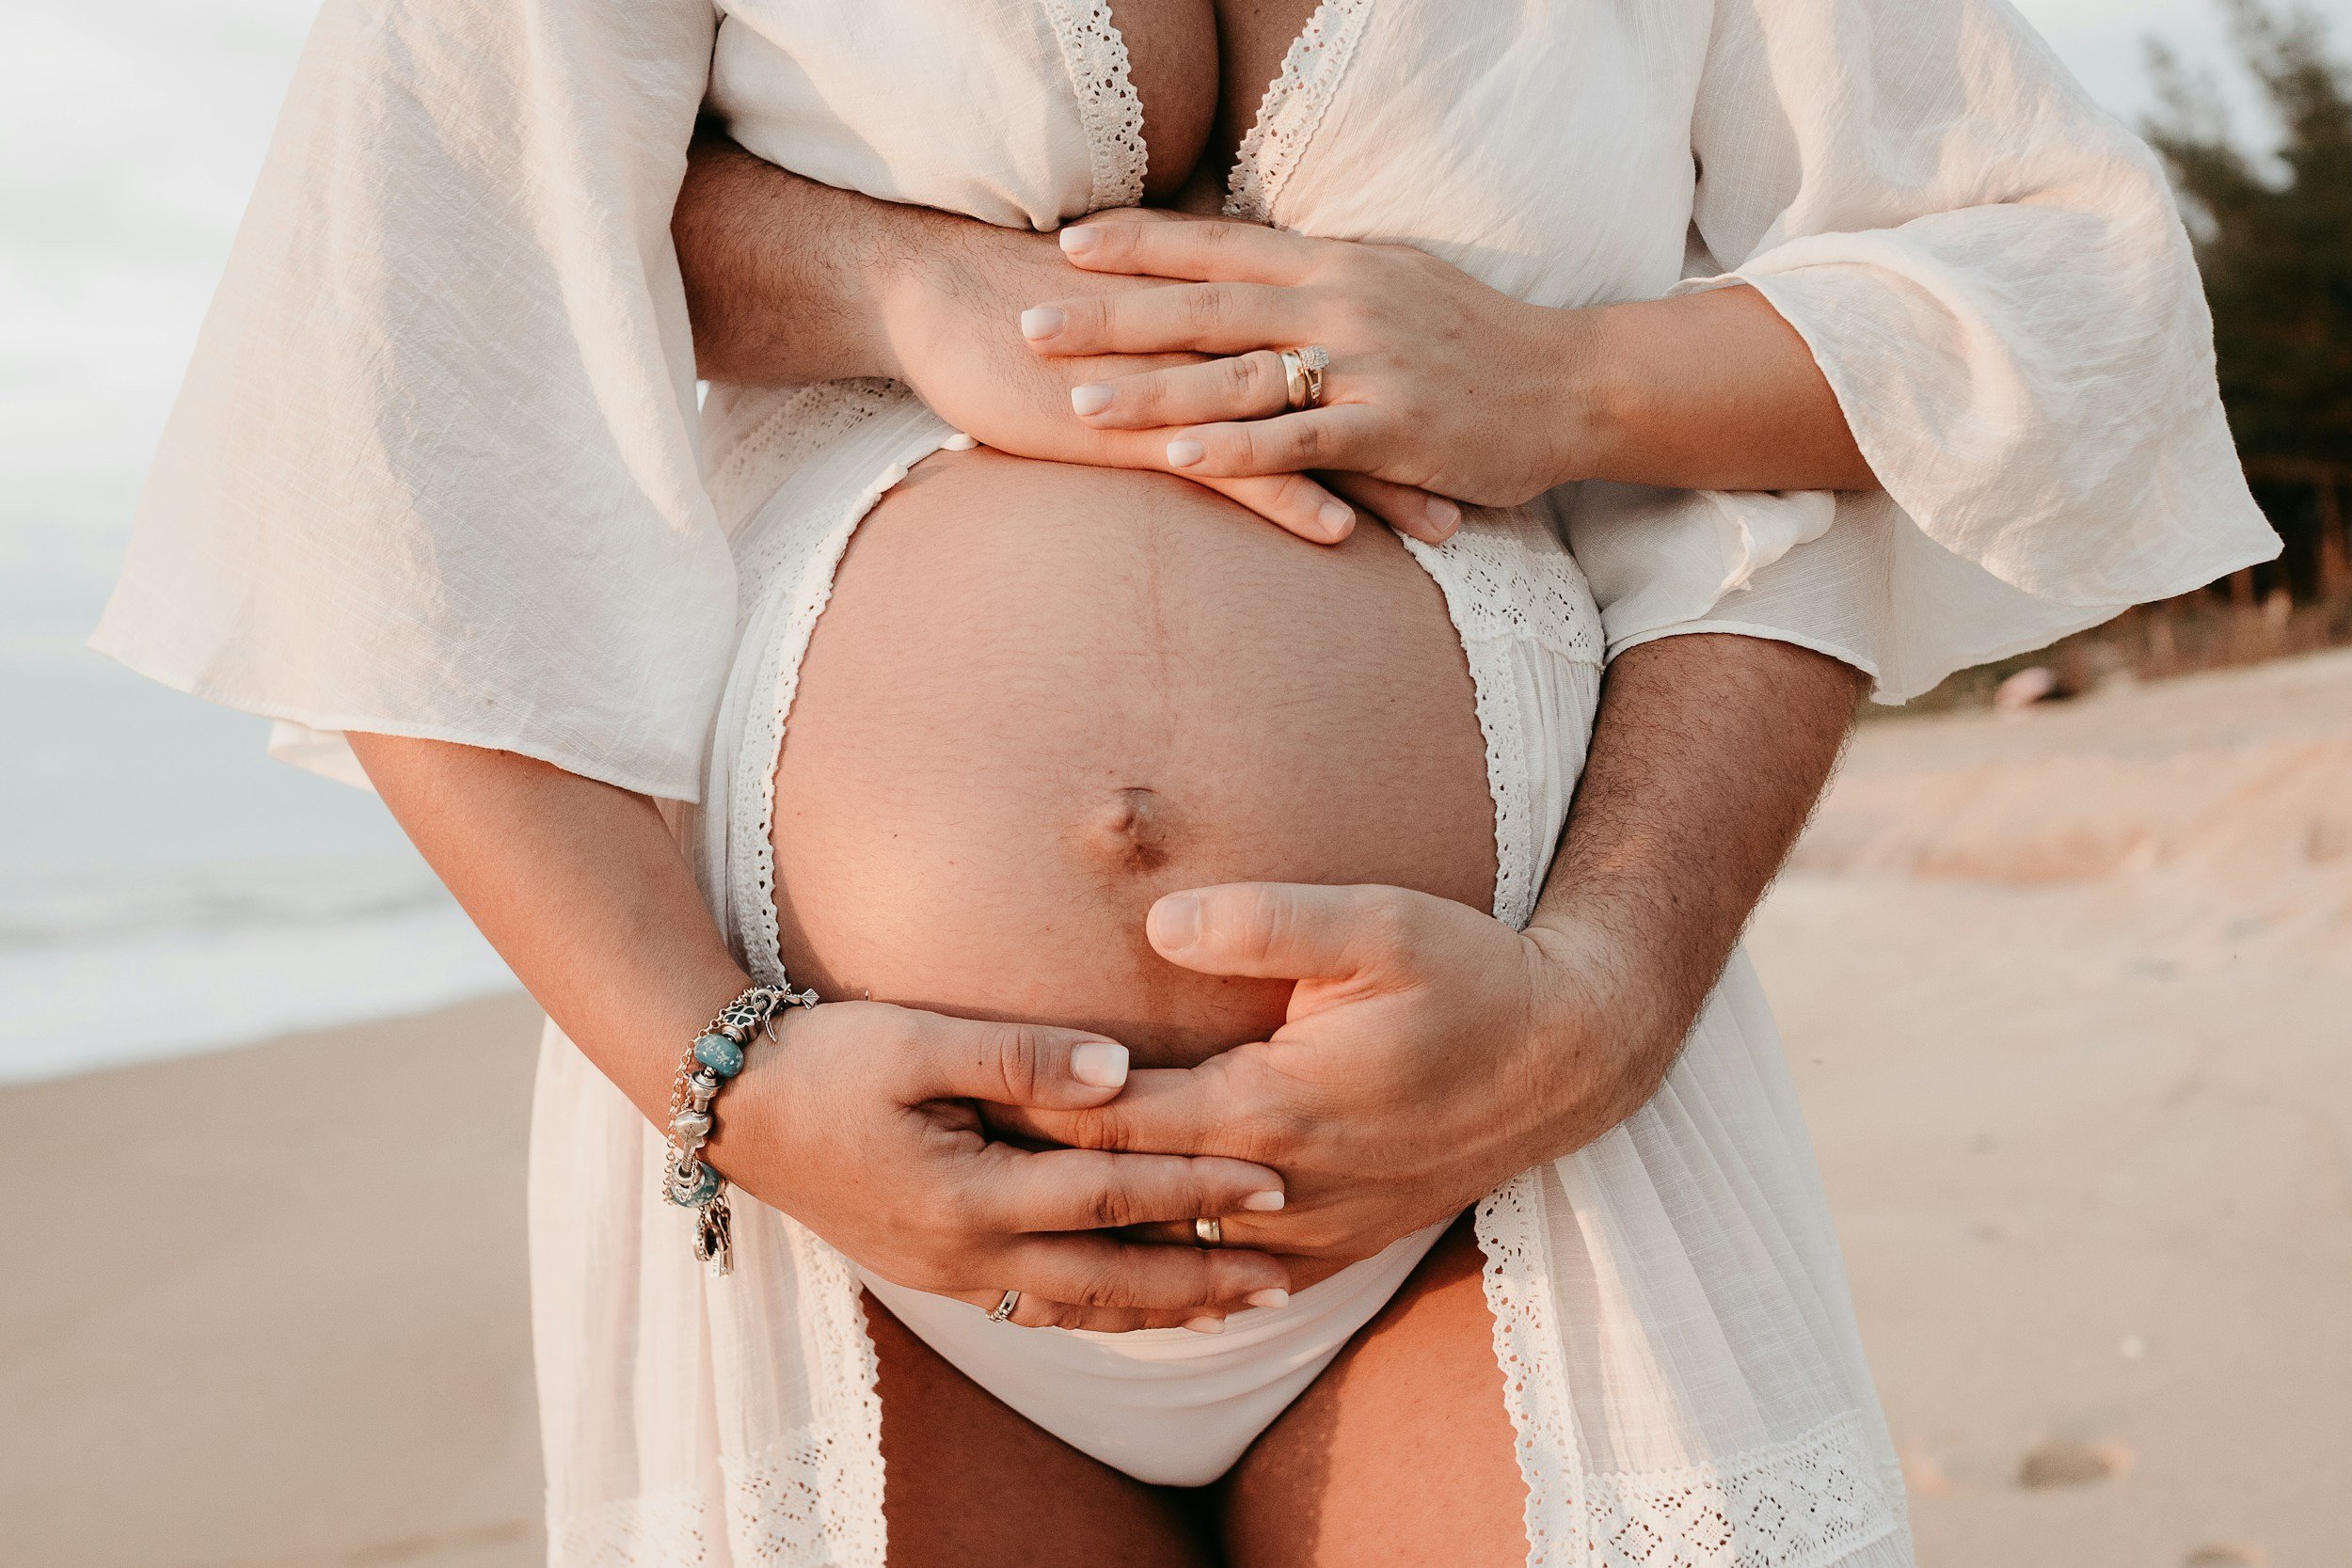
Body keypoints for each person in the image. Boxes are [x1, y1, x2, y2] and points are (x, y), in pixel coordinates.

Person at [93, 0, 2276, 1562]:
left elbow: (2038, 282)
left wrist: (1571, 384)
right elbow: (394, 355)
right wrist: (725, 1086)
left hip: (1521, 1135)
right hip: (834, 1186)